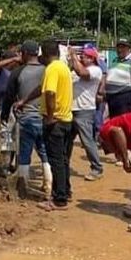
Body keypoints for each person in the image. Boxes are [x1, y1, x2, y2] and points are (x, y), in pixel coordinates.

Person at [3, 41, 52, 199]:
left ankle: (22, 187)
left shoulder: (18, 72)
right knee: (44, 151)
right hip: (45, 118)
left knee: (24, 152)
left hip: (26, 118)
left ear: (24, 53)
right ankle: (48, 185)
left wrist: (5, 115)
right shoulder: (47, 71)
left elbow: (9, 96)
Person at [39, 40, 73, 211]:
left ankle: (59, 199)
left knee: (56, 160)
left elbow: (50, 93)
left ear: (45, 54)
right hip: (66, 119)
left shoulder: (51, 69)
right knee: (63, 159)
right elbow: (43, 89)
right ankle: (65, 191)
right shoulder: (63, 67)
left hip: (56, 121)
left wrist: (50, 117)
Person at [69, 46, 104, 181]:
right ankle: (64, 164)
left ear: (92, 59)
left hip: (84, 109)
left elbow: (82, 73)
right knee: (67, 140)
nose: (82, 57)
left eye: (85, 56)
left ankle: (97, 168)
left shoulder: (95, 70)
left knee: (87, 140)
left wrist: (73, 56)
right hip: (72, 108)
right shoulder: (77, 69)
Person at [104, 38, 131, 118]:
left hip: (125, 97)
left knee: (124, 121)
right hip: (112, 97)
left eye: (123, 47)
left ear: (129, 49)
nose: (120, 50)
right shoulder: (115, 60)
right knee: (114, 121)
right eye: (118, 47)